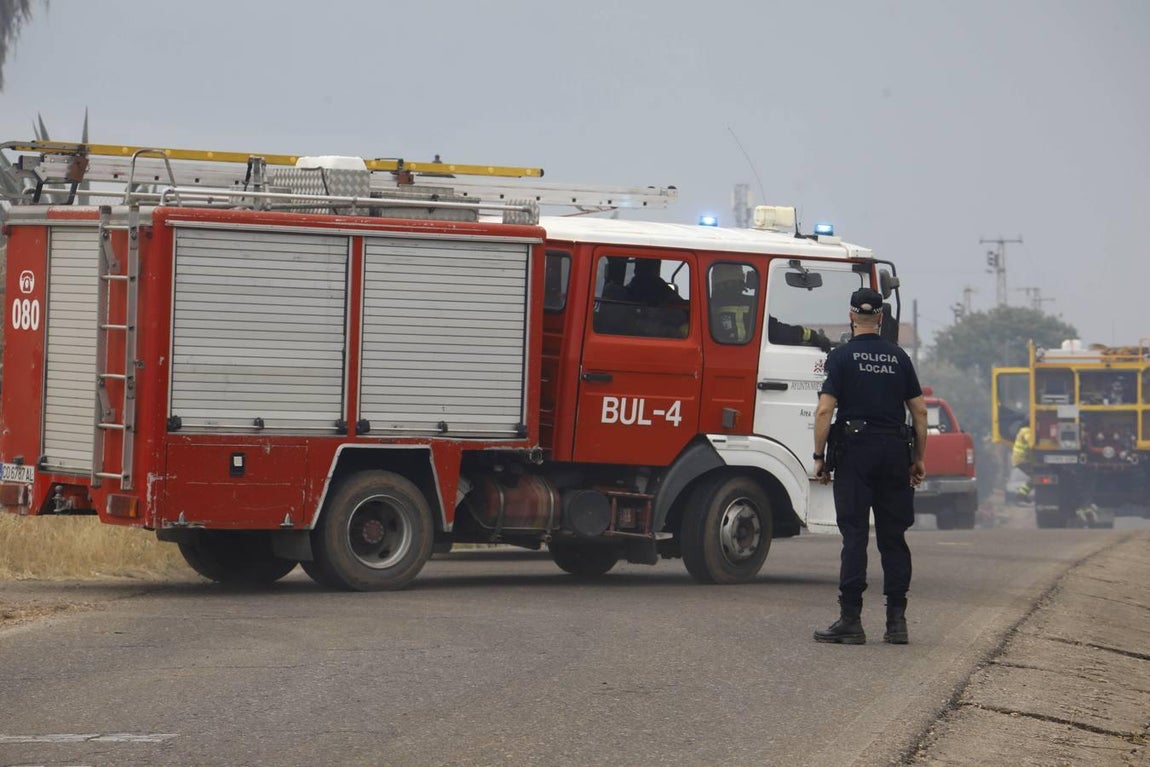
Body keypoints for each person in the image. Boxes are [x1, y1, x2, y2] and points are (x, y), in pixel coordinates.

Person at [811, 287, 927, 645]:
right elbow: (919, 411)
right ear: (880, 318)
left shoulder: (841, 357)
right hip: (894, 452)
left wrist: (819, 457)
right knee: (893, 538)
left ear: (851, 316)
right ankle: (897, 623)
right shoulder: (899, 357)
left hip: (855, 453)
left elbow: (825, 410)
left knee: (855, 537)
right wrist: (918, 458)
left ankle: (851, 621)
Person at [1011, 425, 1034, 503]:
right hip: (1021, 459)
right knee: (1035, 476)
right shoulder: (1026, 430)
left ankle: (1022, 494)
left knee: (1034, 477)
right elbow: (1030, 440)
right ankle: (1021, 494)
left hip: (1021, 459)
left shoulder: (1023, 430)